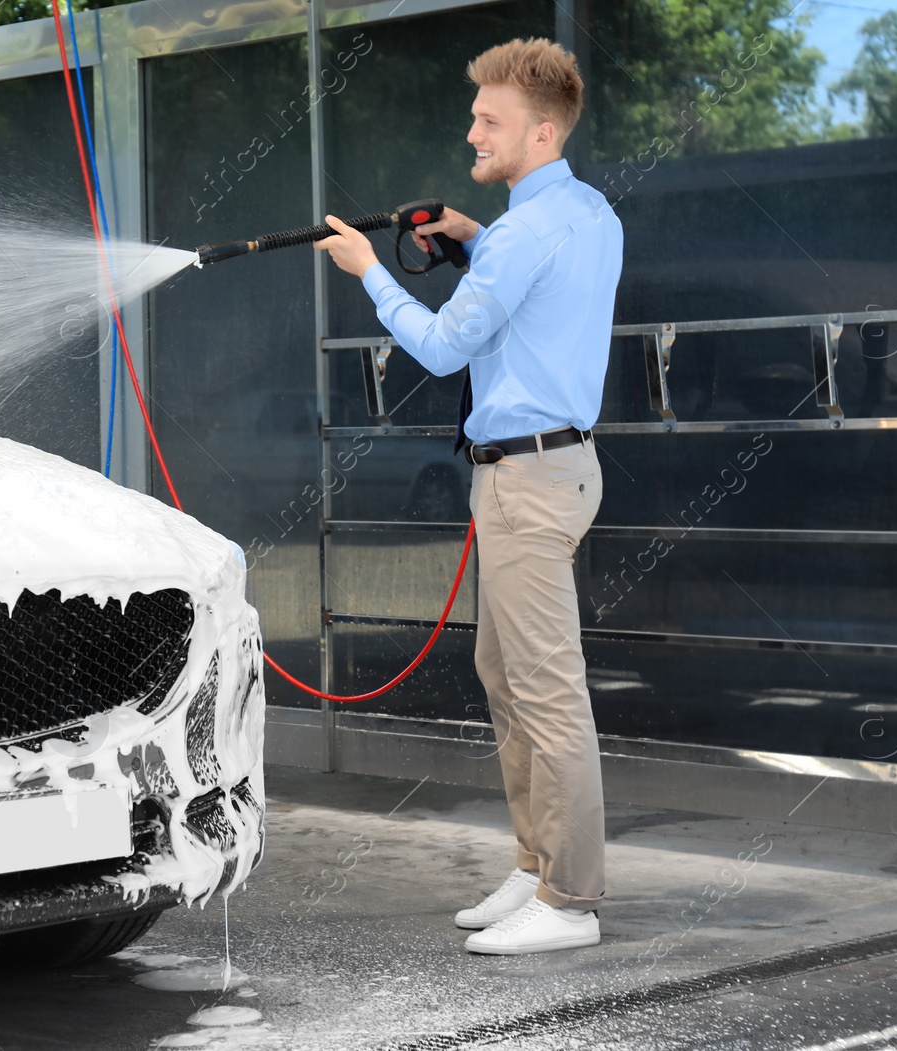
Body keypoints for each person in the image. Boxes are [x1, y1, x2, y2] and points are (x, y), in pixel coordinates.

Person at [314, 36, 622, 956]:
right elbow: (530, 283)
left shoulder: (527, 231)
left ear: (538, 131)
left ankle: (569, 902)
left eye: (489, 120)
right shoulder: (582, 212)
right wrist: (473, 235)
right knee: (506, 675)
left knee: (546, 690)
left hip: (528, 477)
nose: (472, 131)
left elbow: (447, 345)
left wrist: (370, 272)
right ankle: (535, 869)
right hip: (540, 469)